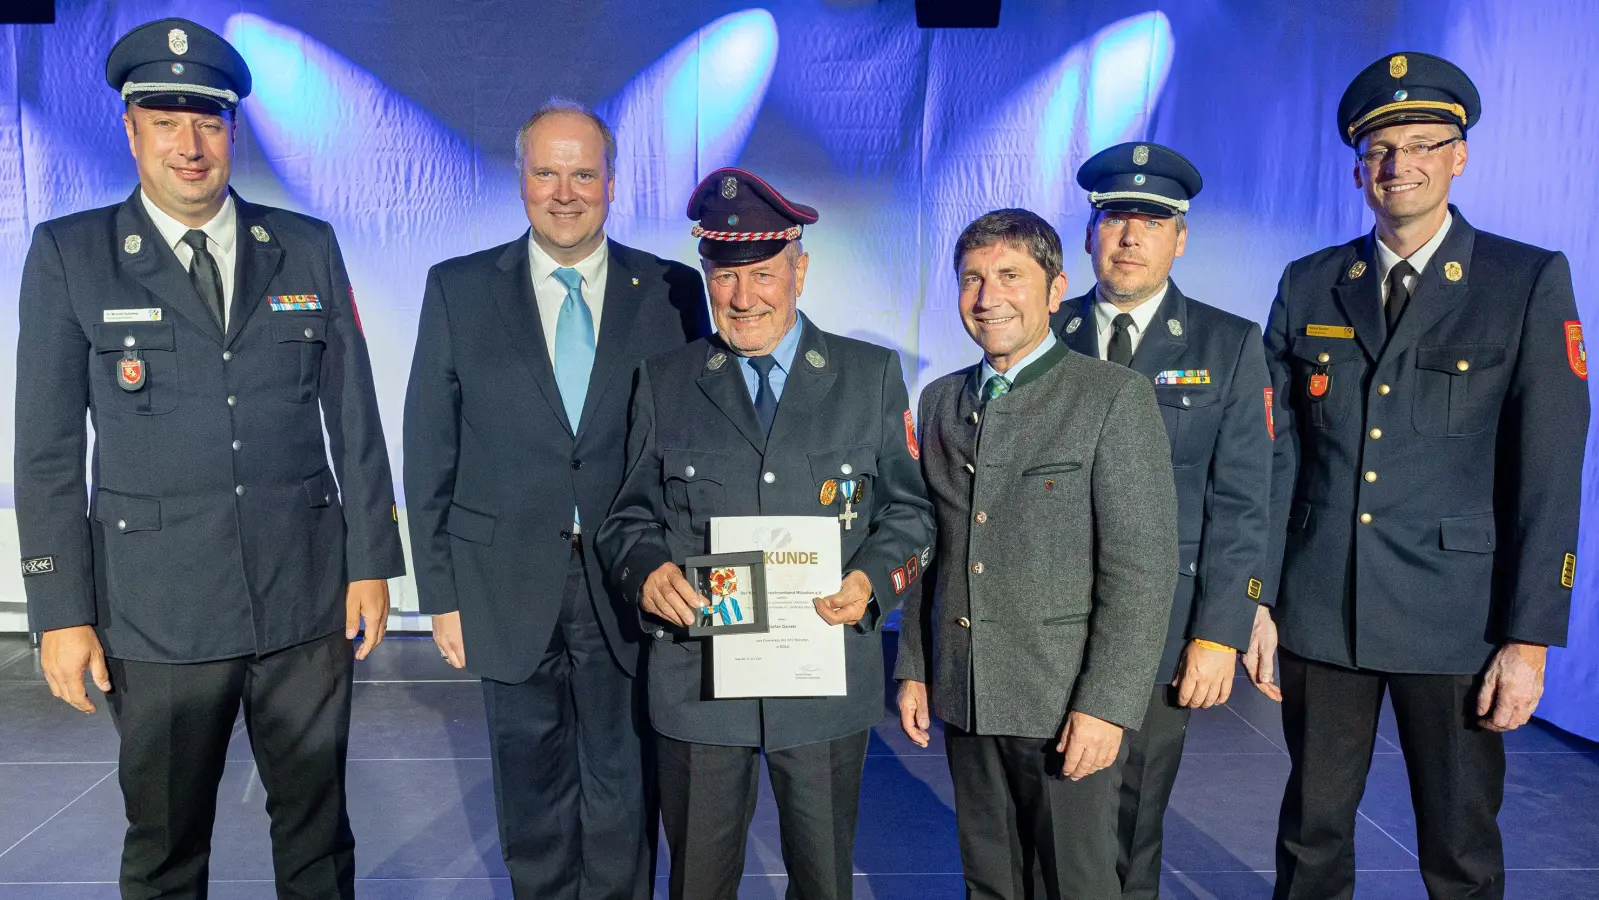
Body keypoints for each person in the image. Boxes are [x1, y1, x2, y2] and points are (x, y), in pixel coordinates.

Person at [14, 18, 405, 899]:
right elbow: (43, 454)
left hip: (302, 600)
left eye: (209, 122)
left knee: (316, 837)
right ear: (131, 128)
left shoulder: (304, 245)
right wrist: (60, 611)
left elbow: (354, 416)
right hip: (157, 611)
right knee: (165, 845)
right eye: (166, 120)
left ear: (232, 131)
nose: (189, 145)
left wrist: (373, 564)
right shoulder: (72, 256)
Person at [1259, 52, 1589, 900]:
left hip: (1457, 621)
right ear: (1358, 167)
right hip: (1323, 611)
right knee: (1311, 837)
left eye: (1421, 144)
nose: (1397, 165)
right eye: (1379, 150)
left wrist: (1527, 640)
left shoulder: (1522, 279)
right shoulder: (1310, 284)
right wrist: (1255, 598)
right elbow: (1276, 455)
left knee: (1459, 846)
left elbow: (1548, 471)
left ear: (1458, 155)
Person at [595, 167, 935, 900]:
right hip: (698, 684)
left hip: (821, 682)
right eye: (724, 276)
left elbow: (910, 514)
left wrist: (872, 580)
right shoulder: (665, 380)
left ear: (799, 270)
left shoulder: (867, 376)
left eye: (762, 273)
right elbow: (626, 518)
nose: (743, 297)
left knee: (822, 883)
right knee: (698, 884)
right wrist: (647, 569)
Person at [402, 100, 709, 899]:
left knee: (623, 787)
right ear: (521, 181)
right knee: (530, 791)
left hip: (629, 578)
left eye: (582, 173)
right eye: (546, 172)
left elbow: (690, 442)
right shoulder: (458, 289)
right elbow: (430, 447)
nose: (563, 191)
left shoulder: (672, 290)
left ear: (612, 183)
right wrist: (441, 594)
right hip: (500, 580)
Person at [897, 208, 1178, 899]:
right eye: (972, 279)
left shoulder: (1110, 396)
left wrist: (1106, 706)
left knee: (1076, 886)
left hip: (1063, 704)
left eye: (1010, 277)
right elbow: (927, 544)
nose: (988, 298)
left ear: (1054, 291)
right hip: (968, 693)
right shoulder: (939, 401)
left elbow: (1140, 568)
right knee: (989, 882)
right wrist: (914, 668)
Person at [1051, 143, 1275, 898]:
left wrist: (1220, 630)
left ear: (1179, 238)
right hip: (1044, 620)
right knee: (1041, 815)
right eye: (1115, 217)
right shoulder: (1040, 332)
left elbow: (1245, 498)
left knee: (1127, 828)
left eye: (1151, 221)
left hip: (1161, 623)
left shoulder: (1228, 344)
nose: (1129, 237)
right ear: (1088, 232)